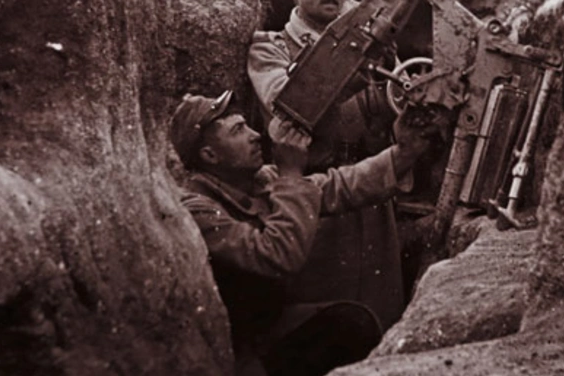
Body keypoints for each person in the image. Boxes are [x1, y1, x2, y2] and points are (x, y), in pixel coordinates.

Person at [170, 90, 432, 376]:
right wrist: (291, 173)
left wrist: (404, 152)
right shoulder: (195, 209)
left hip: (270, 321)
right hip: (238, 347)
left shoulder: (258, 179)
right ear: (210, 155)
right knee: (348, 328)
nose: (256, 135)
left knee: (354, 322)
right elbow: (276, 256)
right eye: (238, 130)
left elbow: (337, 186)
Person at [247, 0, 408, 329]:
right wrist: (349, 56)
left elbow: (384, 110)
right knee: (318, 325)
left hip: (370, 199)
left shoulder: (366, 50)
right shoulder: (270, 48)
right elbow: (290, 104)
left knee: (378, 319)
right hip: (311, 202)